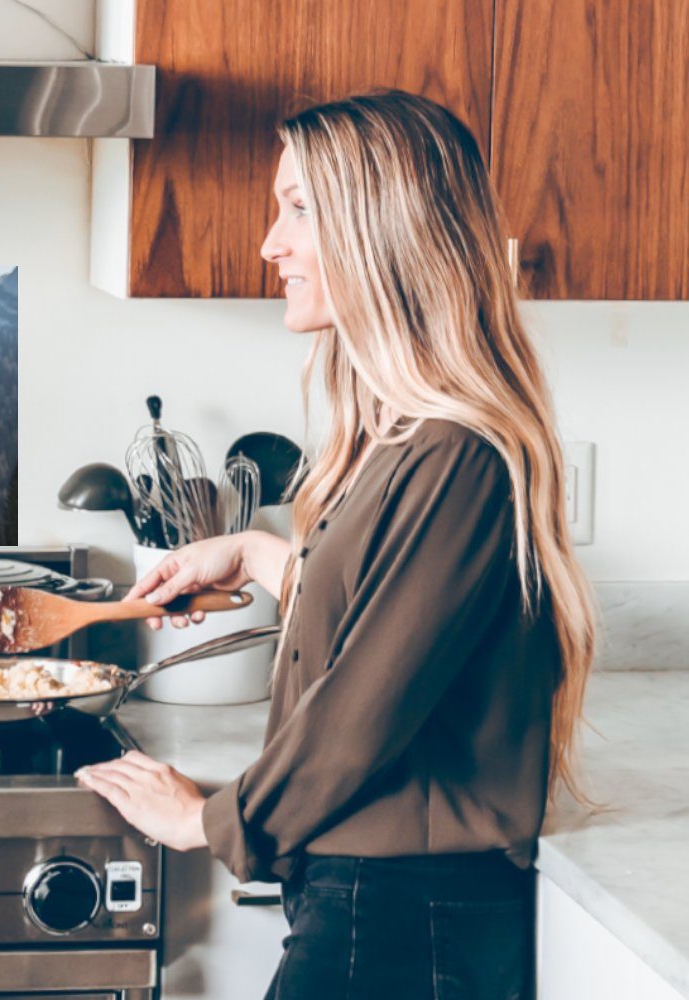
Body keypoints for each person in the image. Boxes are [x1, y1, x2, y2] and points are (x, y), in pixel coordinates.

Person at [76, 90, 596, 999]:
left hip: (406, 917)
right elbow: (390, 608)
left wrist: (213, 821)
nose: (272, 242)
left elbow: (363, 710)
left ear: (385, 230)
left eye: (299, 209)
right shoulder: (401, 439)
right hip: (376, 901)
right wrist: (255, 552)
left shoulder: (459, 453)